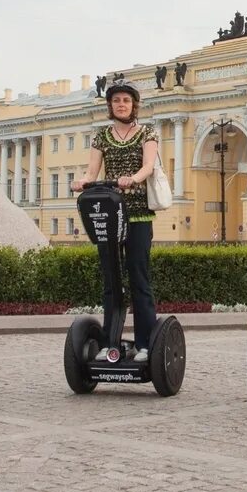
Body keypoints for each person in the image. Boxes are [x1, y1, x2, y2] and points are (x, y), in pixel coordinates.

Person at [73, 79, 160, 362]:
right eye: (116, 101)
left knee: (138, 279)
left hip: (138, 214)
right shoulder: (102, 136)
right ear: (110, 106)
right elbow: (92, 170)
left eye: (126, 100)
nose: (121, 105)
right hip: (110, 216)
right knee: (111, 281)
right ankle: (110, 341)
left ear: (134, 104)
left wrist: (132, 178)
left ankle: (145, 343)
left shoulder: (147, 133)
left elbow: (148, 165)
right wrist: (83, 182)